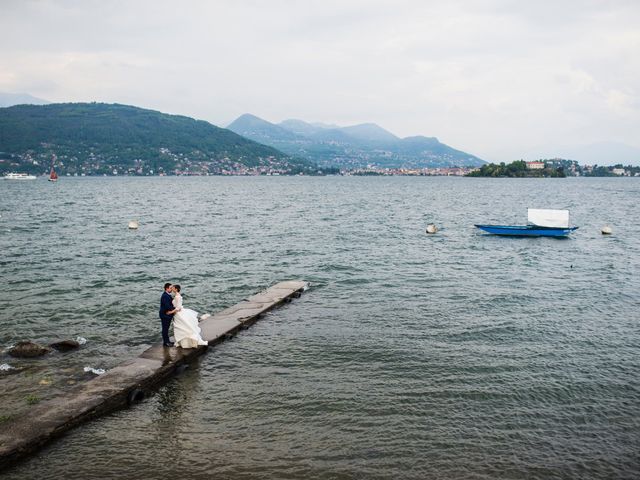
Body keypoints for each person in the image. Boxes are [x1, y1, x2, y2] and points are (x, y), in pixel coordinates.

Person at [159, 283, 177, 347]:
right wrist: (175, 309)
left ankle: (167, 341)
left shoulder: (168, 295)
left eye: (172, 288)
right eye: (170, 288)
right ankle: (165, 342)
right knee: (165, 329)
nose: (171, 289)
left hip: (167, 314)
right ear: (167, 288)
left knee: (166, 328)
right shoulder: (165, 296)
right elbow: (167, 306)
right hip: (165, 315)